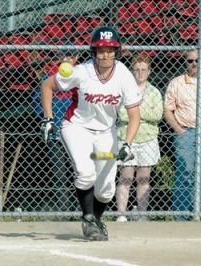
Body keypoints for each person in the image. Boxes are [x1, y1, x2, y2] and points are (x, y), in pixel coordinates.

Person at [40, 26, 141, 241]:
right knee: (86, 173)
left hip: (106, 133)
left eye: (110, 50)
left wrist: (127, 144)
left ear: (117, 51)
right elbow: (47, 86)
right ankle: (87, 218)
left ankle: (95, 220)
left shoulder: (123, 74)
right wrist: (48, 119)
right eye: (100, 50)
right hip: (77, 128)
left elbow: (134, 115)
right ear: (93, 51)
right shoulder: (82, 71)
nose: (105, 55)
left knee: (106, 189)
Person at [164, 49, 201, 219]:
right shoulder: (176, 83)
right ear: (186, 63)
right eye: (190, 61)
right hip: (186, 132)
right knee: (184, 172)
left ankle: (195, 213)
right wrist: (179, 130)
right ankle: (180, 216)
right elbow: (168, 109)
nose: (194, 64)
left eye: (198, 60)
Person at [116, 53, 163, 222]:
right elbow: (122, 114)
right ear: (132, 71)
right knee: (126, 177)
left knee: (144, 178)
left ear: (149, 71)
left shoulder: (154, 92)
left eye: (144, 69)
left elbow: (157, 115)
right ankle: (121, 213)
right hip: (127, 138)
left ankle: (142, 213)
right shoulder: (124, 90)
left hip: (148, 139)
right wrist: (142, 113)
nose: (140, 73)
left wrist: (134, 112)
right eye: (137, 69)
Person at [32, 52, 78, 211]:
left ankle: (81, 209)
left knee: (80, 171)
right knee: (59, 175)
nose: (68, 59)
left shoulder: (80, 76)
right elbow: (38, 103)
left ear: (76, 58)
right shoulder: (50, 77)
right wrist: (48, 118)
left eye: (71, 56)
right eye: (64, 56)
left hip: (76, 134)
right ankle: (64, 209)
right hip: (55, 134)